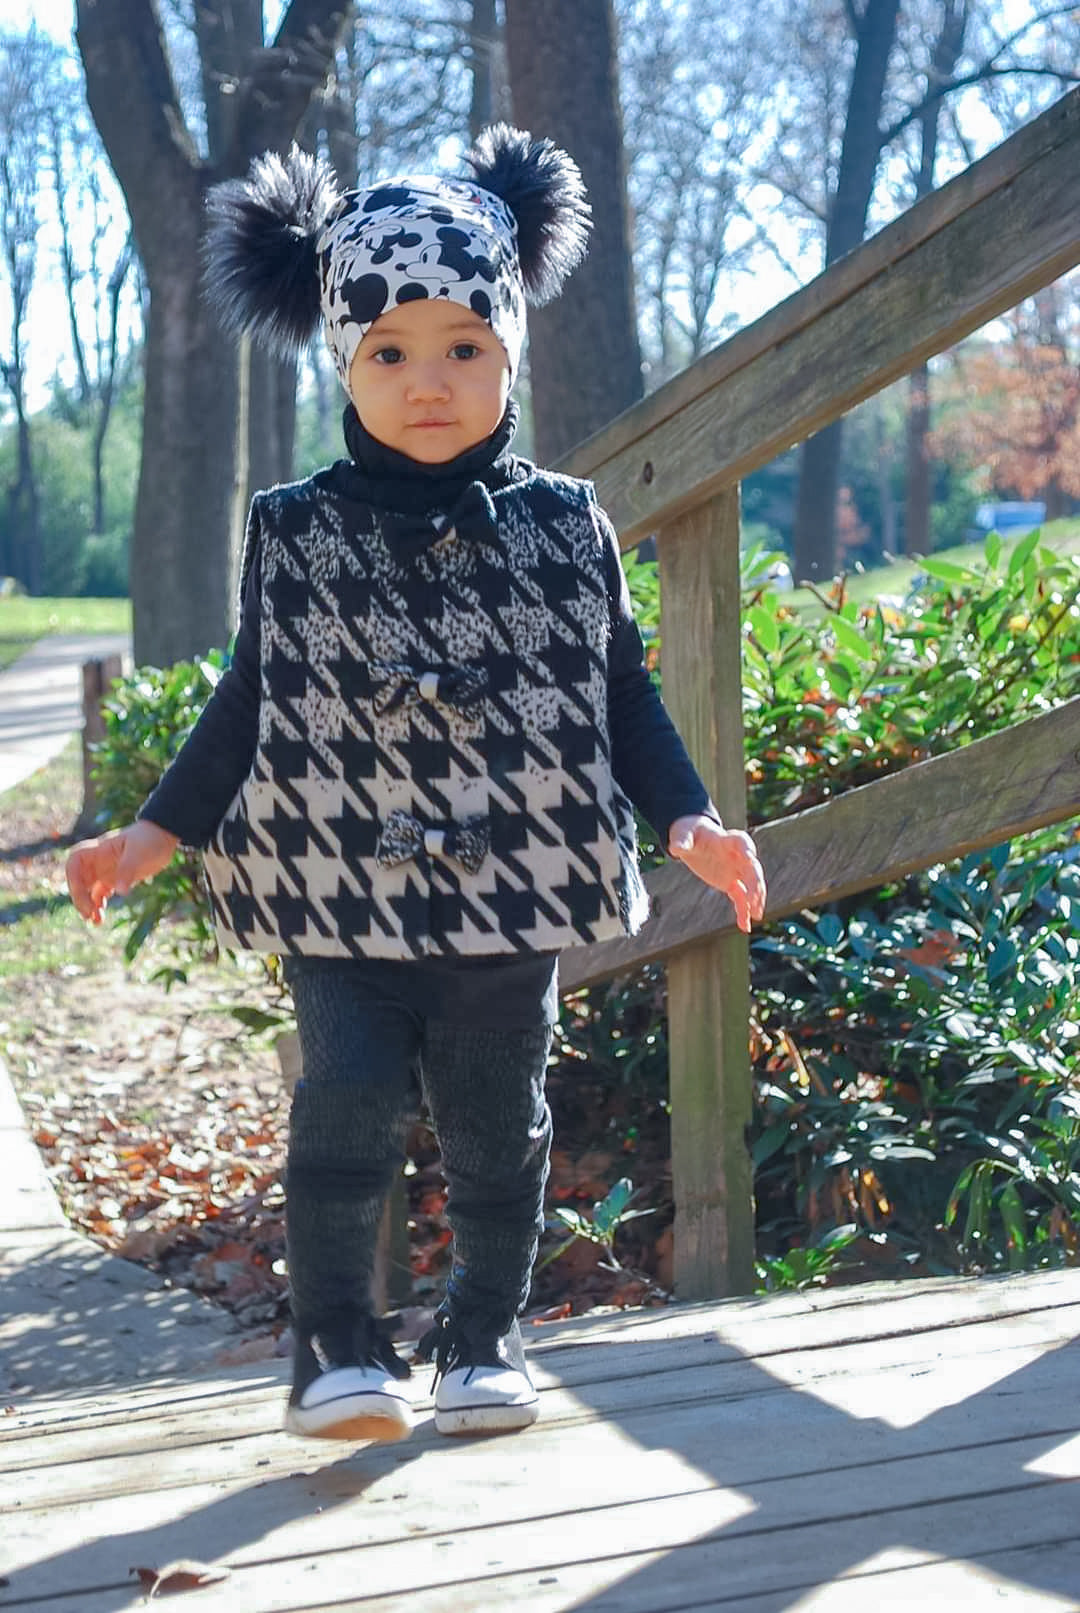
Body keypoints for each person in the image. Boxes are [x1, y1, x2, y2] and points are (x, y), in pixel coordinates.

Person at [66, 126, 766, 1446]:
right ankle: (340, 1349)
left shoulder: (567, 526)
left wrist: (688, 818)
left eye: (464, 347)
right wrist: (155, 830)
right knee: (343, 1104)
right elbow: (246, 700)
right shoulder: (293, 530)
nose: (427, 381)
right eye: (388, 350)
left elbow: (620, 691)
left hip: (512, 888)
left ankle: (483, 1337)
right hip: (338, 884)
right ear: (340, 357)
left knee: (501, 1128)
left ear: (508, 353)